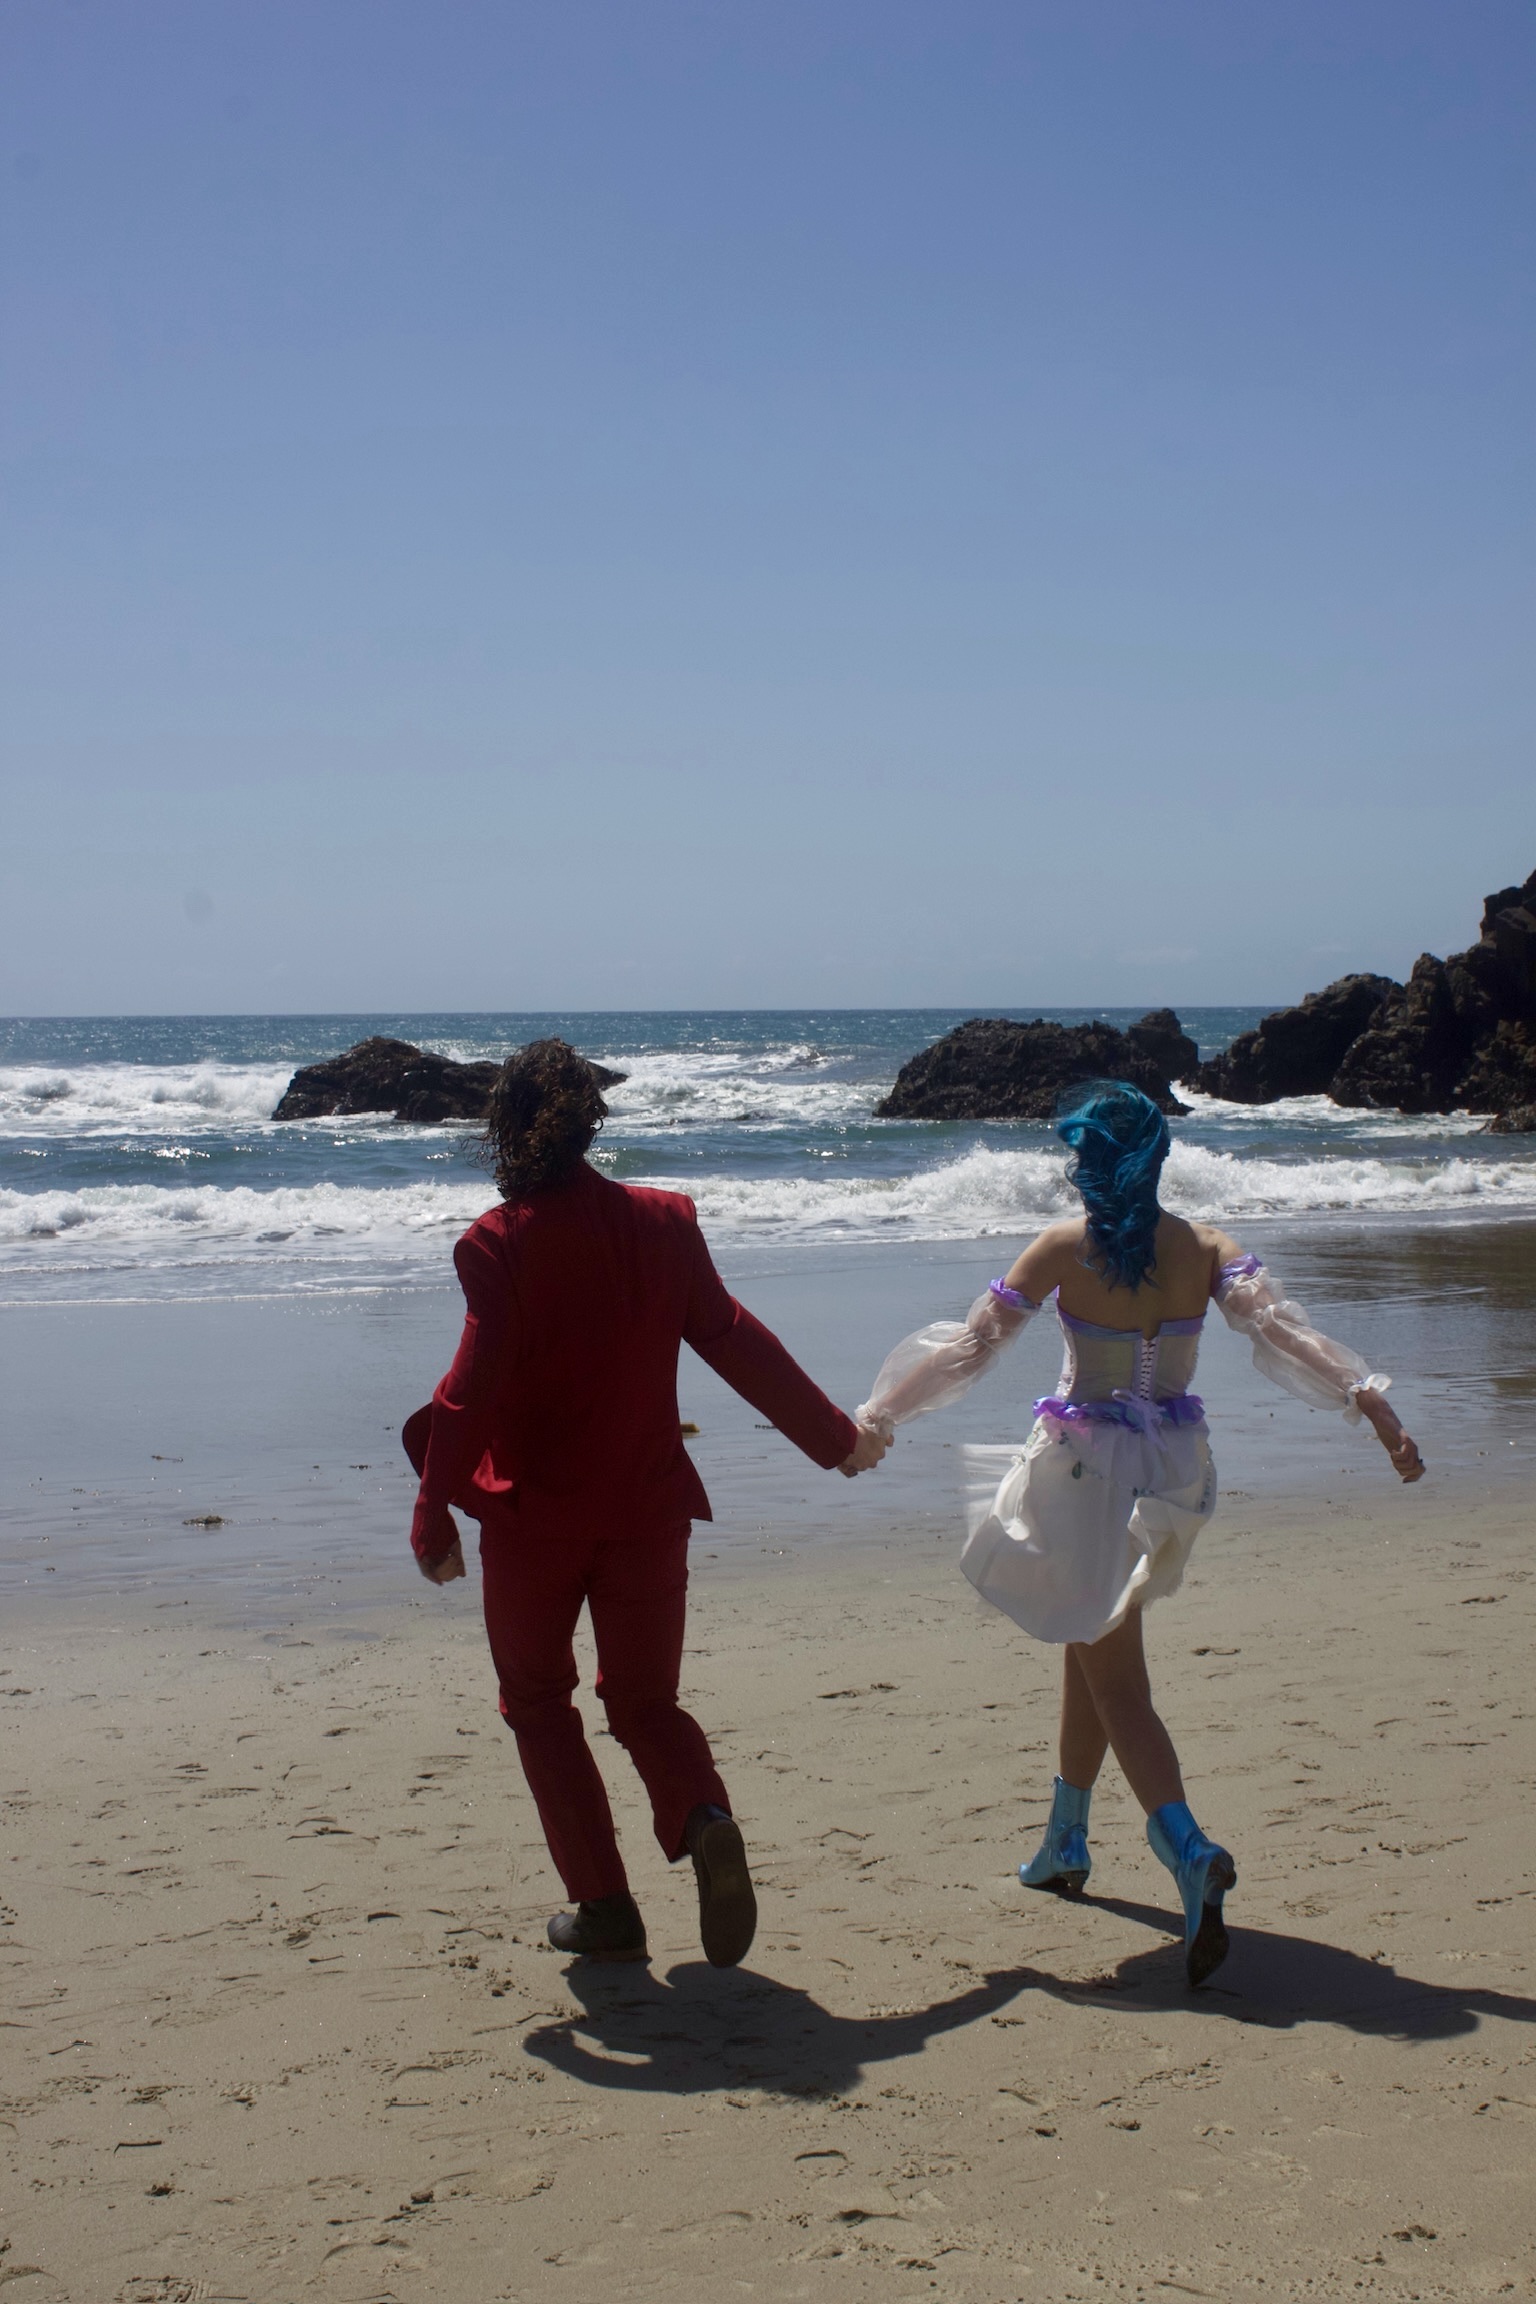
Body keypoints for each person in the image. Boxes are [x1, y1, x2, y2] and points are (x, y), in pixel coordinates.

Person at [858, 1081, 1423, 1987]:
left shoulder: (1064, 1249)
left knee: (1119, 1679)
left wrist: (878, 1416)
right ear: (1157, 1159)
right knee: (1090, 1634)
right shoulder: (1203, 1249)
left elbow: (971, 1349)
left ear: (1088, 1165)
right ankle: (1065, 1842)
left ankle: (1188, 1847)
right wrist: (1369, 1401)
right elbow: (1282, 1333)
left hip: (1085, 1474)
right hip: (1173, 1471)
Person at [403, 1039, 887, 1971]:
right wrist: (837, 1441)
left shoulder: (499, 1243)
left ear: (505, 1131)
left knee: (540, 1704)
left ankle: (606, 1907)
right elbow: (734, 1340)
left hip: (531, 1526)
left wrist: (430, 1517)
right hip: (648, 1514)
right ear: (592, 1120)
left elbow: (468, 1392)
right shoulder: (664, 1224)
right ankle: (703, 1816)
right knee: (645, 1703)